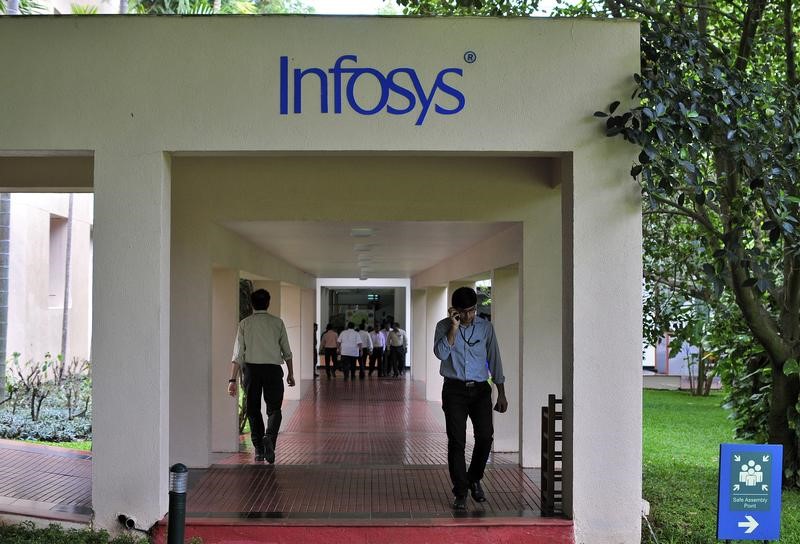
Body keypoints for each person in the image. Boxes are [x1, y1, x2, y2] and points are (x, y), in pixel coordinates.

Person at [433, 286, 508, 510]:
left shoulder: (486, 328)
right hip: (454, 390)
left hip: (480, 390)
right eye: (463, 312)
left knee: (485, 437)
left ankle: (474, 477)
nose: (468, 316)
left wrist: (501, 391)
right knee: (457, 441)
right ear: (454, 311)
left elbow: (494, 358)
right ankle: (461, 490)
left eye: (472, 311)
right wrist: (453, 329)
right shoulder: (443, 327)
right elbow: (440, 354)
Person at [228, 289, 295, 464]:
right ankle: (269, 438)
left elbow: (238, 354)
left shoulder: (245, 324)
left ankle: (258, 449)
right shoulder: (277, 323)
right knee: (274, 409)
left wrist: (232, 380)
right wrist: (291, 373)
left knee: (253, 409)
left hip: (252, 370)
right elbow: (287, 351)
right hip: (273, 370)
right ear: (268, 303)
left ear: (251, 304)